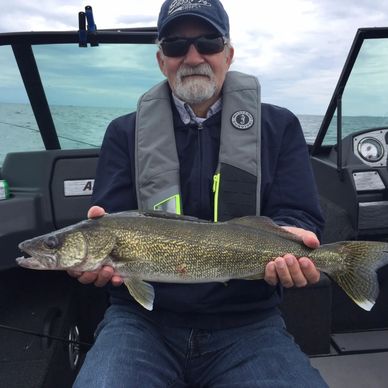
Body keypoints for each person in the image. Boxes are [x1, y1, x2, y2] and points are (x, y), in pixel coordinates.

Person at [72, 0, 327, 386]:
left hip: (249, 322)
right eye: (176, 46)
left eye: (207, 42)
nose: (192, 56)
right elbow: (111, 218)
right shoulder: (124, 133)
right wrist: (91, 261)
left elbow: (300, 215)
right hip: (141, 323)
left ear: (228, 53)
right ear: (161, 60)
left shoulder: (280, 126)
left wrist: (294, 237)